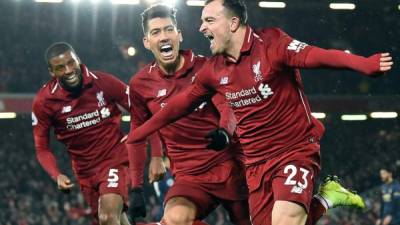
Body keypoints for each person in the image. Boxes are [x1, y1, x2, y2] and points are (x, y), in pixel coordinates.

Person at [126, 1, 394, 225]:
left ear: (232, 24)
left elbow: (319, 56)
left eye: (209, 20)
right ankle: (328, 197)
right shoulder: (213, 69)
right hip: (255, 164)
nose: (201, 27)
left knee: (286, 218)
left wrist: (364, 64)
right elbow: (178, 105)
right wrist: (138, 134)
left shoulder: (272, 44)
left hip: (294, 149)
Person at [127, 4, 251, 225]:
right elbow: (137, 133)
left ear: (179, 35)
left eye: (169, 29)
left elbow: (226, 104)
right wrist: (136, 188)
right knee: (174, 219)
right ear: (147, 42)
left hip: (230, 166)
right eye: (156, 32)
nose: (164, 36)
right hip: (189, 177)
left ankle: (323, 200)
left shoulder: (207, 67)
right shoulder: (140, 85)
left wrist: (224, 131)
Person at [32, 42, 159, 225]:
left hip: (114, 159)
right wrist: (56, 174)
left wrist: (155, 155)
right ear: (52, 72)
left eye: (71, 62)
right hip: (84, 171)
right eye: (60, 67)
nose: (68, 70)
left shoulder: (102, 82)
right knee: (115, 220)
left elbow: (143, 112)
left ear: (78, 60)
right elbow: (42, 148)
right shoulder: (44, 101)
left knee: (107, 217)